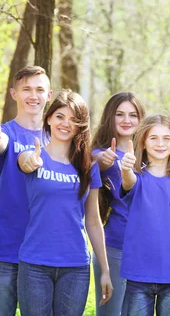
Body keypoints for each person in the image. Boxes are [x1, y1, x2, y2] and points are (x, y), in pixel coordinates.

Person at [17, 90, 112, 316]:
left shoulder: (89, 167)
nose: (65, 124)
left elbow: (93, 220)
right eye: (60, 116)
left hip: (76, 265)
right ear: (48, 118)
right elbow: (25, 162)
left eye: (73, 119)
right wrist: (30, 161)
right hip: (35, 264)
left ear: (80, 126)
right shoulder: (33, 156)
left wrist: (105, 270)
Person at [0, 65, 52, 316]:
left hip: (44, 251)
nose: (33, 96)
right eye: (26, 89)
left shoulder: (58, 139)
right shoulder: (5, 133)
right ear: (14, 93)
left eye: (39, 90)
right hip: (5, 248)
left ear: (49, 95)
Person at [120, 114, 170, 316]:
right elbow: (128, 181)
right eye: (153, 138)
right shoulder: (137, 181)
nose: (160, 143)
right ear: (143, 143)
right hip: (139, 278)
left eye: (166, 138)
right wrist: (126, 168)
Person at [91, 92, 146, 315]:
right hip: (115, 246)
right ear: (109, 118)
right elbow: (92, 161)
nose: (126, 120)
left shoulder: (151, 152)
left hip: (147, 247)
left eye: (133, 115)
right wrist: (101, 162)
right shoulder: (102, 153)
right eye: (120, 114)